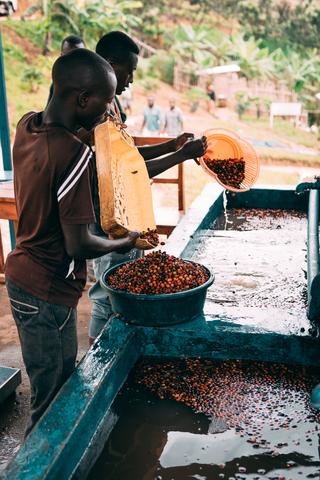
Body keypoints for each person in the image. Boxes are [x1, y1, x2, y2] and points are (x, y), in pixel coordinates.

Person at [5, 48, 139, 437]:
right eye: (106, 100)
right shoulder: (75, 153)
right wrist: (122, 241)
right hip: (47, 288)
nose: (109, 110)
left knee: (57, 378)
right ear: (82, 99)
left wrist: (82, 133)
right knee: (51, 398)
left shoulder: (26, 125)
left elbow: (56, 146)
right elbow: (80, 244)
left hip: (22, 276)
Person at [88, 31, 207, 345]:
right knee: (105, 291)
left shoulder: (109, 105)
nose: (132, 79)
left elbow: (129, 155)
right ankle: (95, 357)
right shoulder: (95, 112)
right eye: (131, 70)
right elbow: (125, 172)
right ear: (111, 64)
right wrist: (180, 156)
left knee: (119, 283)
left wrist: (172, 145)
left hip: (123, 213)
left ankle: (114, 348)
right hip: (108, 217)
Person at [47, 35, 86, 104]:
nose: (74, 60)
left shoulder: (93, 81)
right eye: (69, 56)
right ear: (61, 56)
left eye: (78, 55)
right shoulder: (57, 83)